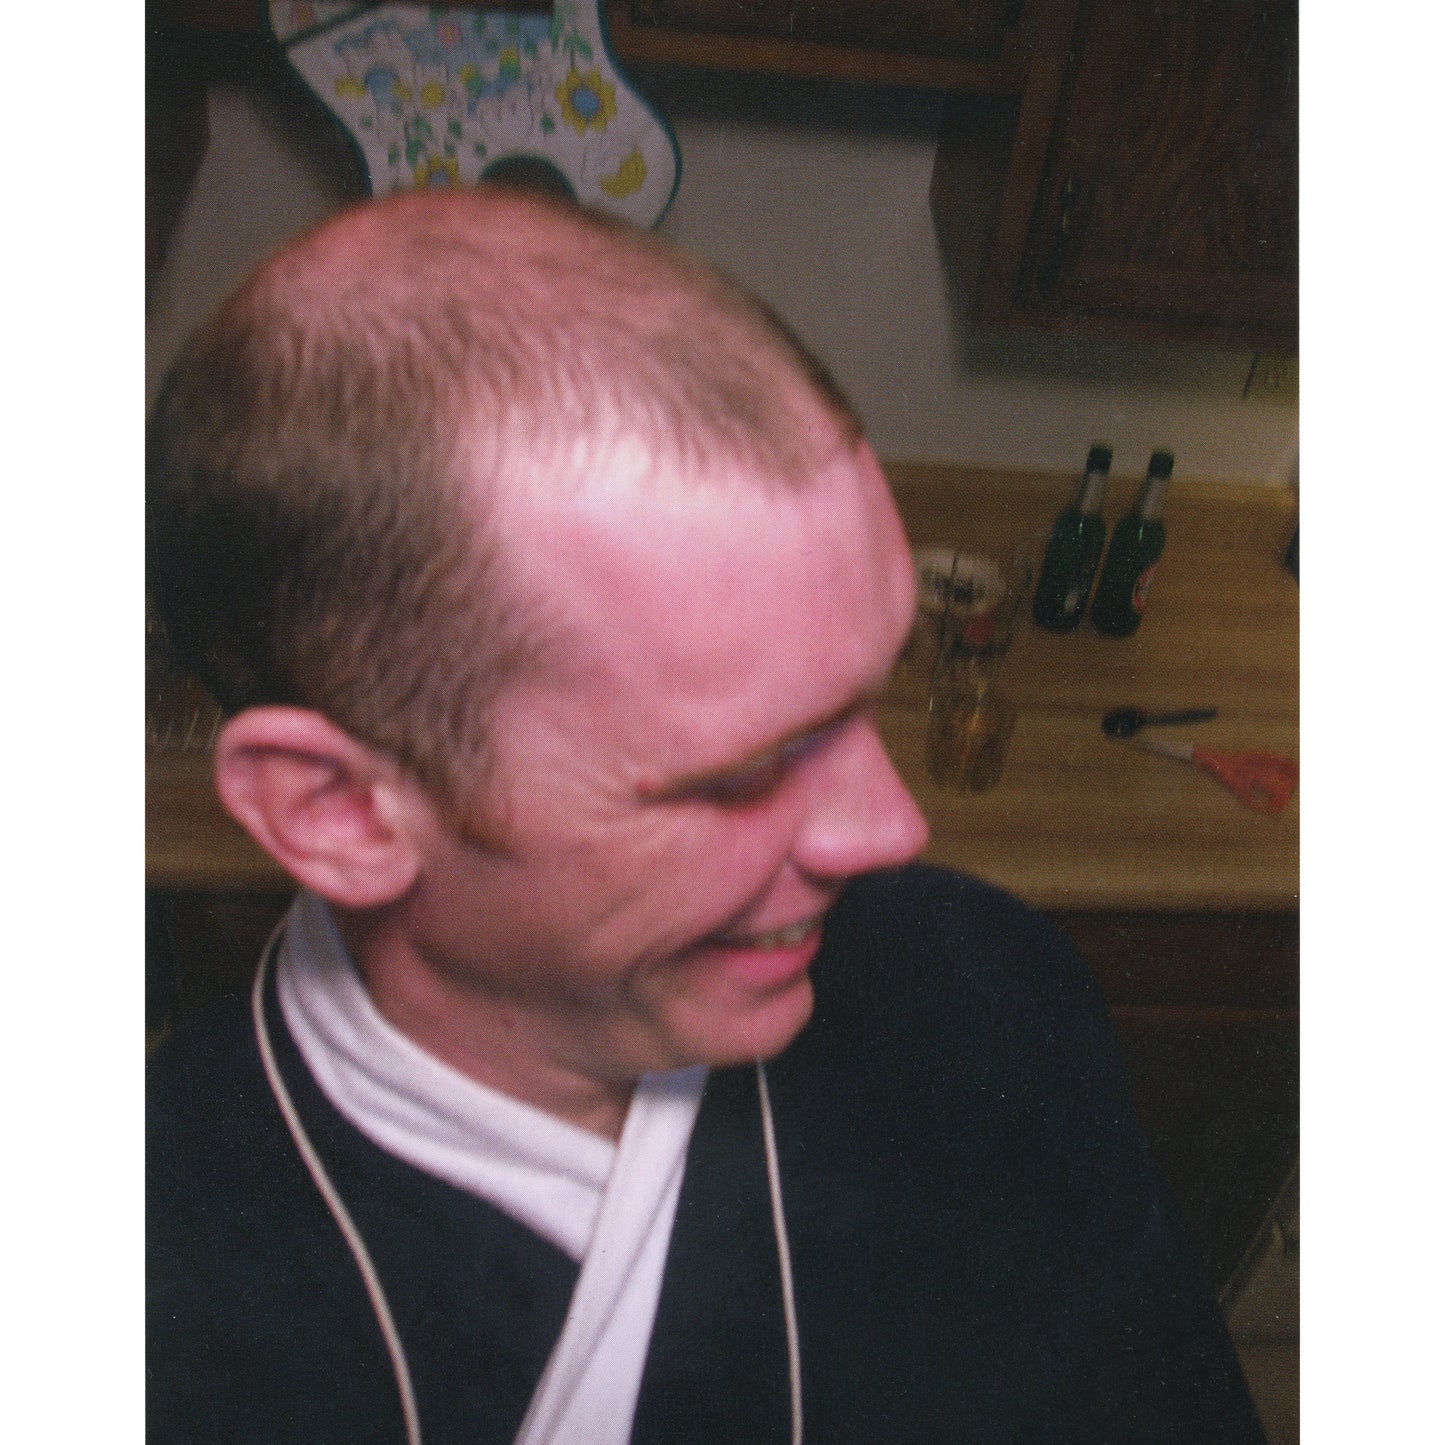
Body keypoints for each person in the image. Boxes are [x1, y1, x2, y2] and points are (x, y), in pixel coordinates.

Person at [147, 186, 1265, 1445]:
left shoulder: (986, 988)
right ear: (339, 811)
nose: (890, 830)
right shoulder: (156, 1309)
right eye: (741, 769)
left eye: (869, 691)